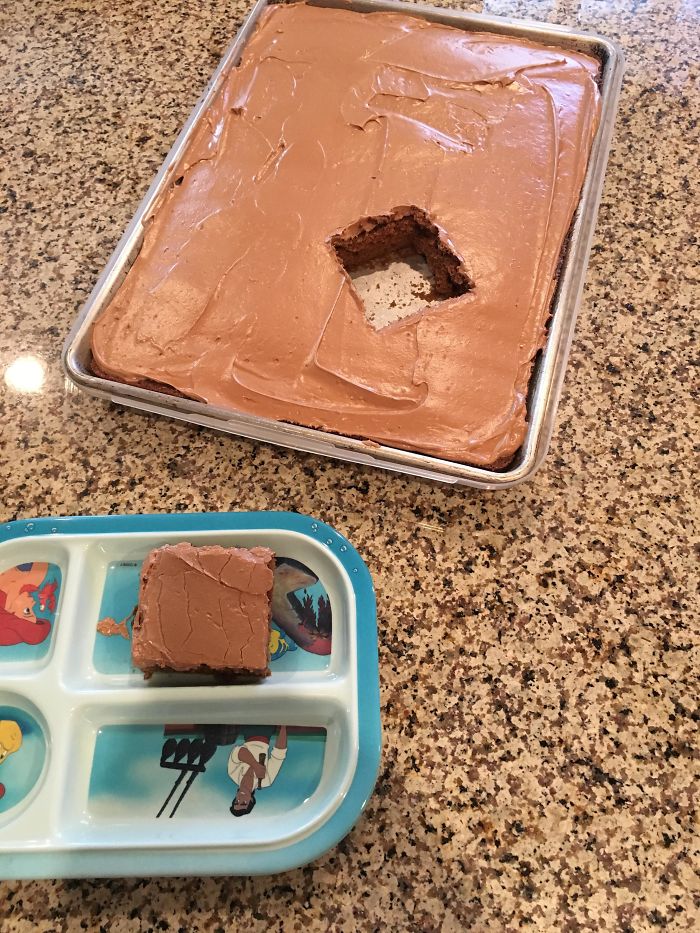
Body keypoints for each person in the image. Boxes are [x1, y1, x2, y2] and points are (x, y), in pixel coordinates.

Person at [227, 726, 287, 816]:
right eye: (243, 803)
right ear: (251, 800)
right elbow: (279, 753)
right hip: (266, 732)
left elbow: (239, 751)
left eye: (236, 802)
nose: (240, 799)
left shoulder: (233, 774)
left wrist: (255, 765)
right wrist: (283, 726)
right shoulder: (267, 780)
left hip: (246, 730)